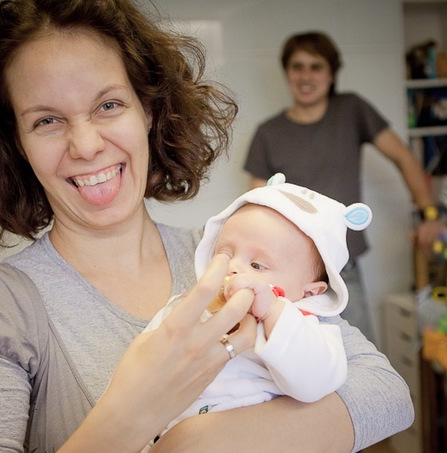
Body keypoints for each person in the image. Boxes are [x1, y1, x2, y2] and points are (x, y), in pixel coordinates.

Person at [0, 2, 413, 452]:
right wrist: (130, 413)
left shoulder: (230, 257)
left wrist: (192, 441)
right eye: (46, 120)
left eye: (108, 105)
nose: (85, 145)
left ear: (147, 109)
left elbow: (386, 395)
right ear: (17, 142)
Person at [142, 173, 373, 450]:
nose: (232, 268)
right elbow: (142, 367)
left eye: (257, 266)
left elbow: (316, 384)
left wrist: (274, 312)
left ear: (310, 292)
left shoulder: (307, 329)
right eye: (225, 254)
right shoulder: (189, 306)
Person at [244, 31, 447, 342]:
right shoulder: (267, 134)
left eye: (316, 67)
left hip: (343, 269)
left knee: (360, 356)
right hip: (289, 274)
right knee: (290, 358)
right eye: (298, 67)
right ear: (287, 73)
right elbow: (257, 208)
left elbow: (404, 157)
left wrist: (429, 215)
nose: (306, 76)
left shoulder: (351, 109)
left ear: (331, 74)